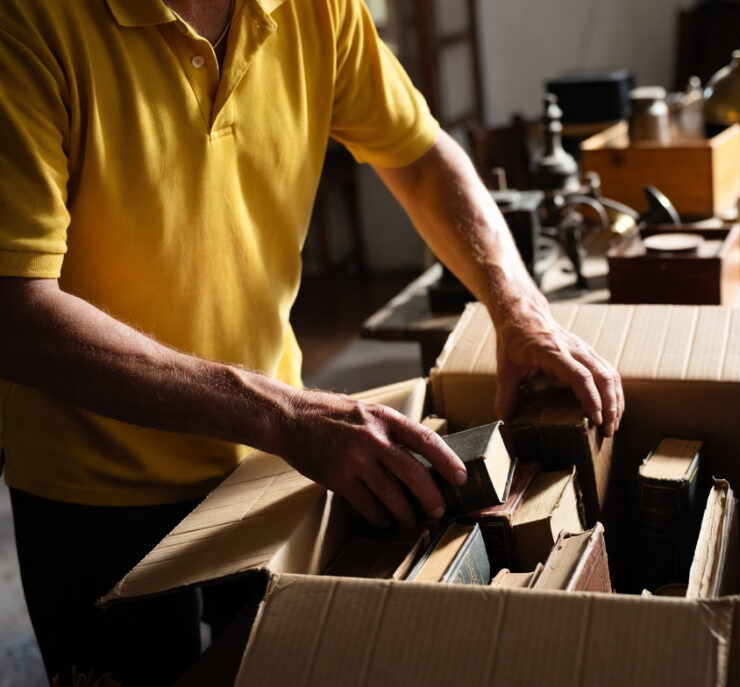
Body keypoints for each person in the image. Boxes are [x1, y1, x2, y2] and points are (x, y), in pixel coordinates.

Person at [0, 0, 624, 684]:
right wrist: (284, 412)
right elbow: (18, 312)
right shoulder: (28, 22)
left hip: (267, 466)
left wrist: (519, 305)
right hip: (96, 495)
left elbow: (418, 156)